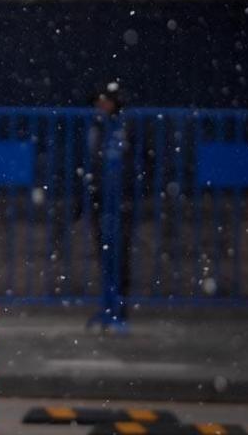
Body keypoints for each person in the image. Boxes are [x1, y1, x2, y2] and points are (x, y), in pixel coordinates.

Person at [85, 86, 135, 330]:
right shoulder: (97, 127)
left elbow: (137, 161)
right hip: (102, 199)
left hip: (118, 199)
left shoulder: (125, 127)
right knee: (106, 254)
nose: (101, 106)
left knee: (119, 255)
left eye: (105, 101)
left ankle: (119, 309)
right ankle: (109, 307)